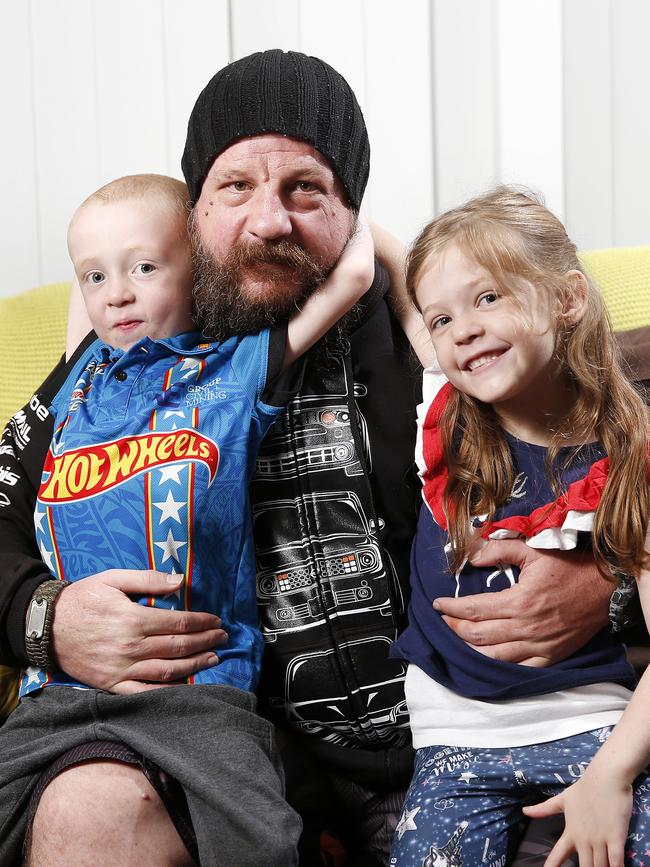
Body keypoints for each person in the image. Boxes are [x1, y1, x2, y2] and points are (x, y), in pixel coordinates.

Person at [0, 51, 627, 866]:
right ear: (193, 210)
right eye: (235, 188)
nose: (270, 221)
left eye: (307, 188)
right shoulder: (126, 347)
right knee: (87, 811)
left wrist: (606, 588)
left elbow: (602, 446)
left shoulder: (438, 323)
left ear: (352, 210)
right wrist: (45, 618)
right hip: (203, 737)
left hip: (446, 750)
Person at [0, 170, 376, 866]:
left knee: (262, 842)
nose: (117, 293)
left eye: (144, 267)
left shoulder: (231, 371)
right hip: (55, 694)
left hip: (198, 692)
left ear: (200, 269)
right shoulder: (78, 379)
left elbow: (352, 271)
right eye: (95, 276)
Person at [388, 186, 650, 867]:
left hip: (591, 719)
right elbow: (385, 267)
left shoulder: (629, 459)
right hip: (452, 733)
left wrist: (613, 774)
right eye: (441, 318)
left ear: (567, 298)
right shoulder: (440, 416)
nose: (462, 329)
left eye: (489, 298)